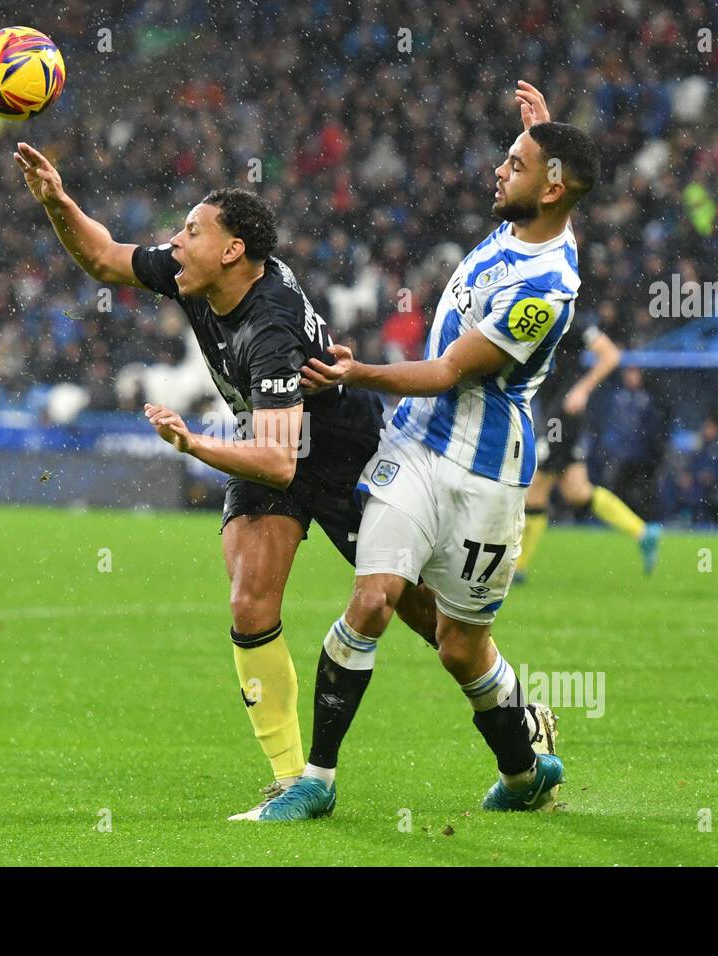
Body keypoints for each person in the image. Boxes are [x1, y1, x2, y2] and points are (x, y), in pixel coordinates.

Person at [13, 146, 438, 817]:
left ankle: (504, 707)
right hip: (271, 439)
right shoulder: (198, 278)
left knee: (415, 608)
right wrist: (56, 201)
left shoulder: (269, 326)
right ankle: (297, 781)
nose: (176, 243)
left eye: (191, 232)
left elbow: (278, 462)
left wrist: (191, 444)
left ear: (234, 250)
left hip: (342, 453)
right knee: (249, 604)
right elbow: (104, 258)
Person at [254, 83, 598, 820]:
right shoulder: (533, 225)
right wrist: (541, 132)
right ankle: (316, 779)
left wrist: (357, 372)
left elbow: (445, 373)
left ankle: (521, 774)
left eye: (515, 162)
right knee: (372, 599)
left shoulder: (548, 289)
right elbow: (554, 193)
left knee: (458, 647)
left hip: (487, 478)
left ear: (553, 185)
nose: (498, 171)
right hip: (410, 448)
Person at [515, 319, 661, 584]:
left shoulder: (570, 320)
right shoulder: (538, 317)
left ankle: (519, 569)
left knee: (535, 488)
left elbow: (611, 355)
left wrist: (581, 389)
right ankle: (643, 532)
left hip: (563, 418)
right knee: (577, 491)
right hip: (554, 414)